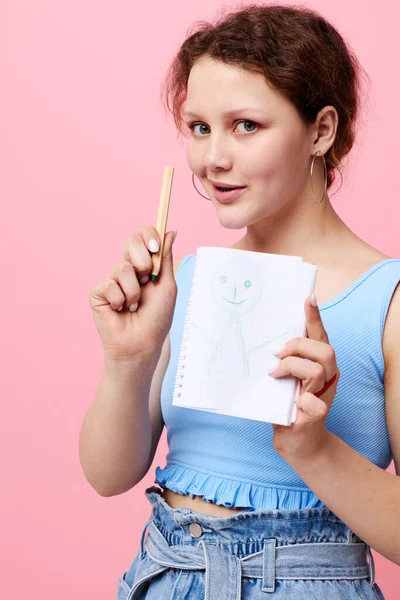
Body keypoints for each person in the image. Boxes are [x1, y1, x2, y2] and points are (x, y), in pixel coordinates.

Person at [80, 4, 400, 598]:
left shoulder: (388, 301)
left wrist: (313, 447)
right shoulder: (188, 280)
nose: (213, 159)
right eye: (199, 127)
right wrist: (127, 361)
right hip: (164, 572)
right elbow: (107, 474)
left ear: (321, 131)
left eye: (245, 126)